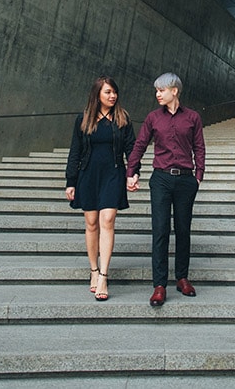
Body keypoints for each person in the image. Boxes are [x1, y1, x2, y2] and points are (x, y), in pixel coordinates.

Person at [126, 72, 205, 306]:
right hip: (160, 179)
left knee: (183, 230)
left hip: (185, 180)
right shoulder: (153, 118)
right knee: (160, 230)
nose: (158, 94)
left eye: (162, 90)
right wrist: (131, 171)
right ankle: (159, 285)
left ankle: (182, 278)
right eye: (156, 90)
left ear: (174, 91)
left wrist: (198, 175)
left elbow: (199, 147)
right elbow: (140, 144)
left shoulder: (192, 118)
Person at [65, 76, 135, 301]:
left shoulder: (122, 118)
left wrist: (133, 173)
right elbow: (75, 151)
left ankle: (104, 275)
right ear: (97, 95)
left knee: (107, 221)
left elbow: (131, 149)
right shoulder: (83, 119)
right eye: (107, 92)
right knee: (91, 223)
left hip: (113, 174)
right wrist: (70, 181)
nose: (112, 96)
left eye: (114, 92)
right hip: (88, 175)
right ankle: (93, 270)